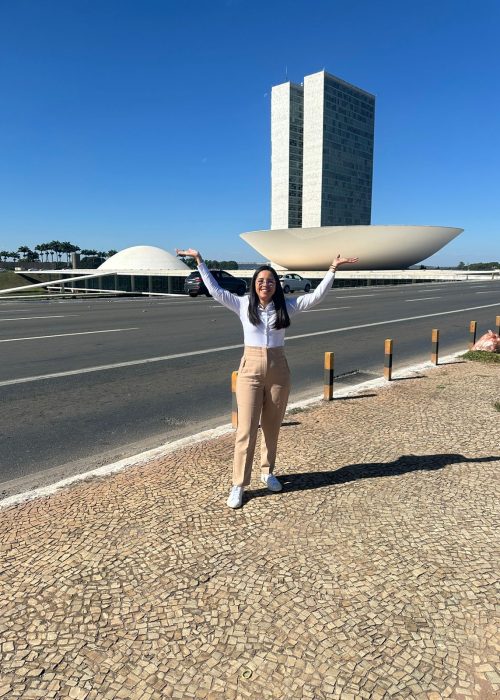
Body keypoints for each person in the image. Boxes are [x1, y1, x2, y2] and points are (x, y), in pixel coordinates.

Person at [175, 248, 359, 508]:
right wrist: (199, 261)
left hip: (278, 369)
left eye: (270, 281)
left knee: (272, 426)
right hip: (250, 369)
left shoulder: (287, 307)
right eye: (260, 280)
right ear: (254, 284)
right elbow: (216, 290)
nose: (265, 284)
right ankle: (238, 484)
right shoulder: (242, 304)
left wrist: (332, 269)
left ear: (276, 285)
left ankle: (267, 472)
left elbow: (316, 297)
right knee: (246, 429)